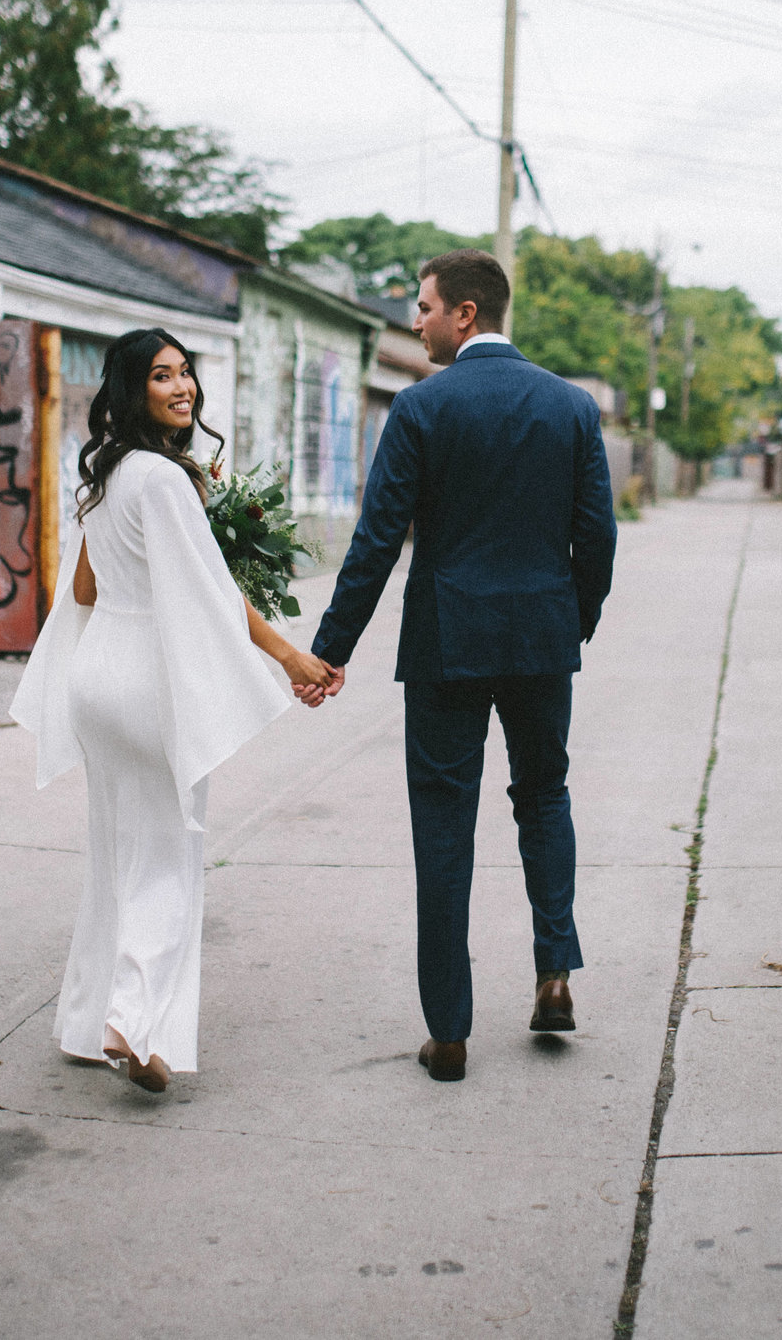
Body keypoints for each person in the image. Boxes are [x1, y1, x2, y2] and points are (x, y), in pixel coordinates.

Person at [304, 250, 617, 1083]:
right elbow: (599, 540)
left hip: (447, 644)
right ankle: (554, 971)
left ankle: (448, 1033)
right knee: (544, 795)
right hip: (541, 640)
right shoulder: (572, 408)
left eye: (425, 306)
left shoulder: (420, 409)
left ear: (466, 313)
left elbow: (376, 544)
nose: (416, 321)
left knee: (444, 824)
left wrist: (328, 650)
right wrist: (567, 623)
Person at [9, 328, 335, 1094]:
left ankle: (87, 1023)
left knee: (117, 855)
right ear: (133, 391)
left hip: (98, 676)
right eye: (162, 376)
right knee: (168, 859)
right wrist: (289, 657)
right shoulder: (163, 480)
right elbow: (214, 598)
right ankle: (134, 1022)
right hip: (149, 680)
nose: (182, 386)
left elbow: (85, 593)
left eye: (186, 372)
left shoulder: (108, 477)